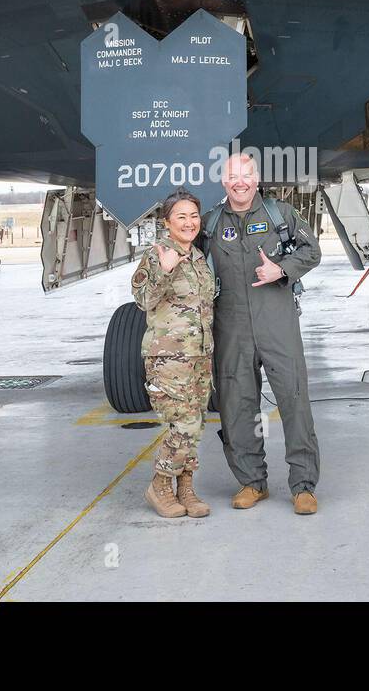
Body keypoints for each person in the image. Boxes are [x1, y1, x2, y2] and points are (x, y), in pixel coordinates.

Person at [203, 153, 323, 515]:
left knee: (294, 399)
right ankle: (251, 482)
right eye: (232, 176)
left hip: (277, 323)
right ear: (223, 181)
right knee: (237, 406)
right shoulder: (209, 224)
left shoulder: (279, 214)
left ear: (256, 179)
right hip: (231, 327)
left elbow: (312, 251)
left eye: (246, 175)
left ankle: (303, 486)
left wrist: (282, 270)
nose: (240, 182)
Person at [131, 189, 216, 519]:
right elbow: (143, 300)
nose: (189, 222)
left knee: (196, 425)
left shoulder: (197, 258)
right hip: (168, 358)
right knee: (184, 424)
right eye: (181, 216)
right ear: (167, 222)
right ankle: (161, 485)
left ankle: (186, 489)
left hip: (198, 357)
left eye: (194, 216)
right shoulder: (157, 255)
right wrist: (165, 271)